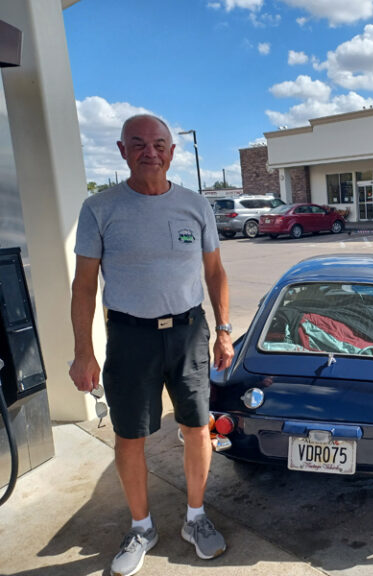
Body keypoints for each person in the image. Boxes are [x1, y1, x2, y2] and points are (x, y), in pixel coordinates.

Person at [69, 114, 234, 576]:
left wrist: (223, 329)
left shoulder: (195, 206)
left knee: (198, 428)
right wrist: (85, 351)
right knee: (129, 435)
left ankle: (196, 518)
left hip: (187, 333)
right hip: (130, 336)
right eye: (138, 144)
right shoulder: (99, 208)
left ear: (171, 152)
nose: (150, 151)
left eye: (159, 143)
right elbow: (83, 286)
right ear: (122, 151)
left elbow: (215, 272)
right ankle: (141, 527)